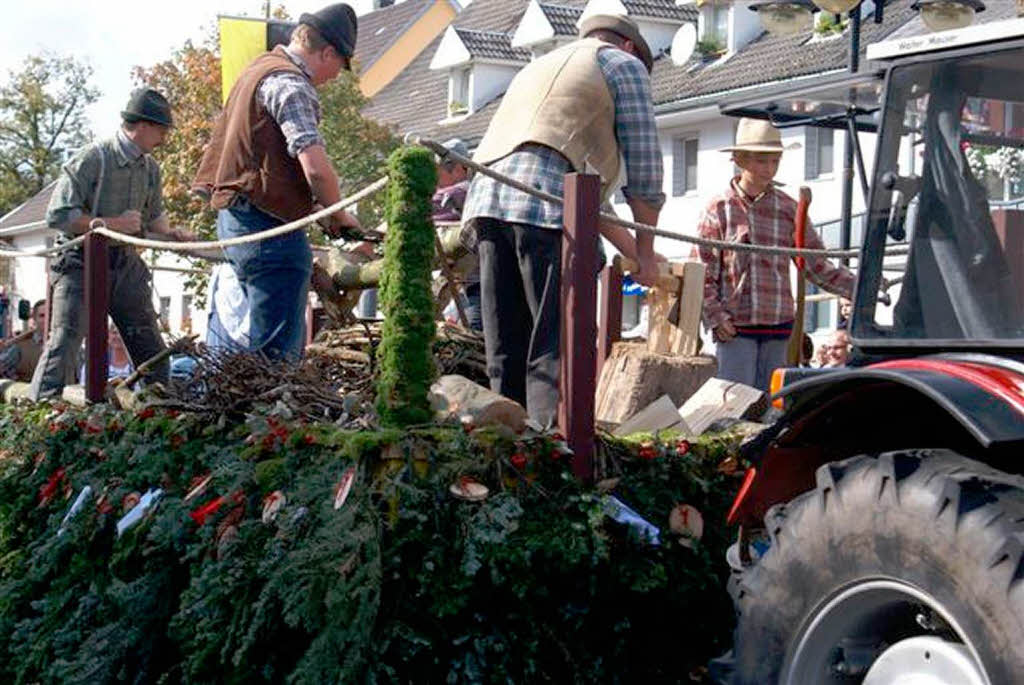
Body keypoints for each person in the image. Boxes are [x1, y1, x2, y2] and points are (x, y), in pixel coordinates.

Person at [462, 13, 663, 427]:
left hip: (486, 204)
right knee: (556, 345)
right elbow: (644, 165)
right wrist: (647, 250)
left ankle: (507, 451)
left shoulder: (540, 66)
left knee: (506, 347)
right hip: (546, 210)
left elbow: (580, 188)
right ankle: (554, 455)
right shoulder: (623, 65)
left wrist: (638, 256)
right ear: (629, 47)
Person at [193, 3, 363, 362]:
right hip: (266, 229)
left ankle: (255, 411)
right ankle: (271, 416)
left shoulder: (256, 69)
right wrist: (339, 214)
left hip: (236, 220)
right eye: (340, 65)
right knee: (276, 358)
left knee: (257, 346)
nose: (336, 76)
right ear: (327, 51)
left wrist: (318, 210)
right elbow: (314, 168)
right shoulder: (291, 85)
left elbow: (269, 169)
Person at [30, 88, 190, 400]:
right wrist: (112, 225)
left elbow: (154, 220)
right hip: (79, 261)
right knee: (65, 343)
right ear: (142, 126)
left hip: (124, 263)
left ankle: (161, 415)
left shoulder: (150, 169)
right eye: (162, 131)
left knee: (151, 347)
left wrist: (174, 233)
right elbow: (59, 215)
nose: (164, 139)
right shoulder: (93, 158)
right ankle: (38, 423)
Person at [694, 118, 856, 391]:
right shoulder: (718, 209)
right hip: (736, 327)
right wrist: (715, 316)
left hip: (779, 326)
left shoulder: (789, 208)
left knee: (773, 406)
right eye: (761, 161)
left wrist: (859, 288)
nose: (769, 169)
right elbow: (702, 269)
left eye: (774, 161)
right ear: (740, 160)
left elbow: (816, 264)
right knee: (734, 403)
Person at [432, 137, 481, 331]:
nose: (435, 178)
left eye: (438, 171)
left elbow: (437, 204)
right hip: (463, 282)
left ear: (460, 167)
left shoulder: (463, 190)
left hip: (476, 284)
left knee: (475, 331)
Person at [0, 300, 46, 381]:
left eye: (51, 315)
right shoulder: (20, 348)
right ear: (34, 319)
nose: (46, 319)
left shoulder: (69, 346)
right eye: (42, 316)